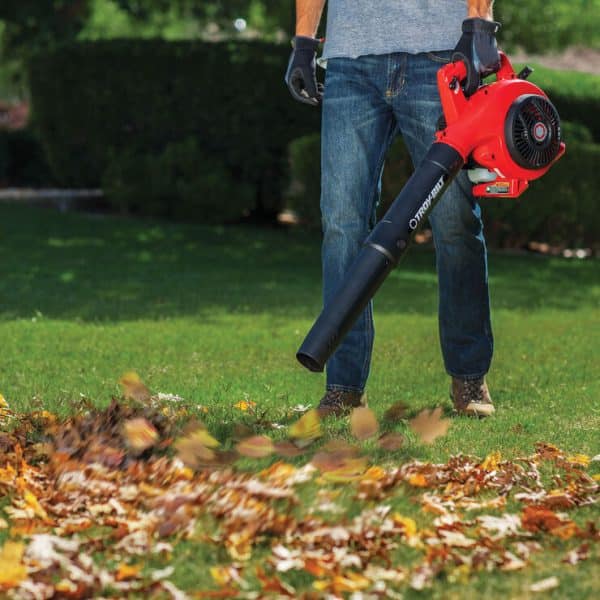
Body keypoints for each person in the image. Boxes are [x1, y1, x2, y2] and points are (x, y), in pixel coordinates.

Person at [285, 1, 501, 418]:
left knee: (454, 218)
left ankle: (469, 375)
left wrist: (480, 26)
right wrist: (304, 42)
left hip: (439, 53)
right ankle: (344, 387)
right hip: (351, 61)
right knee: (342, 222)